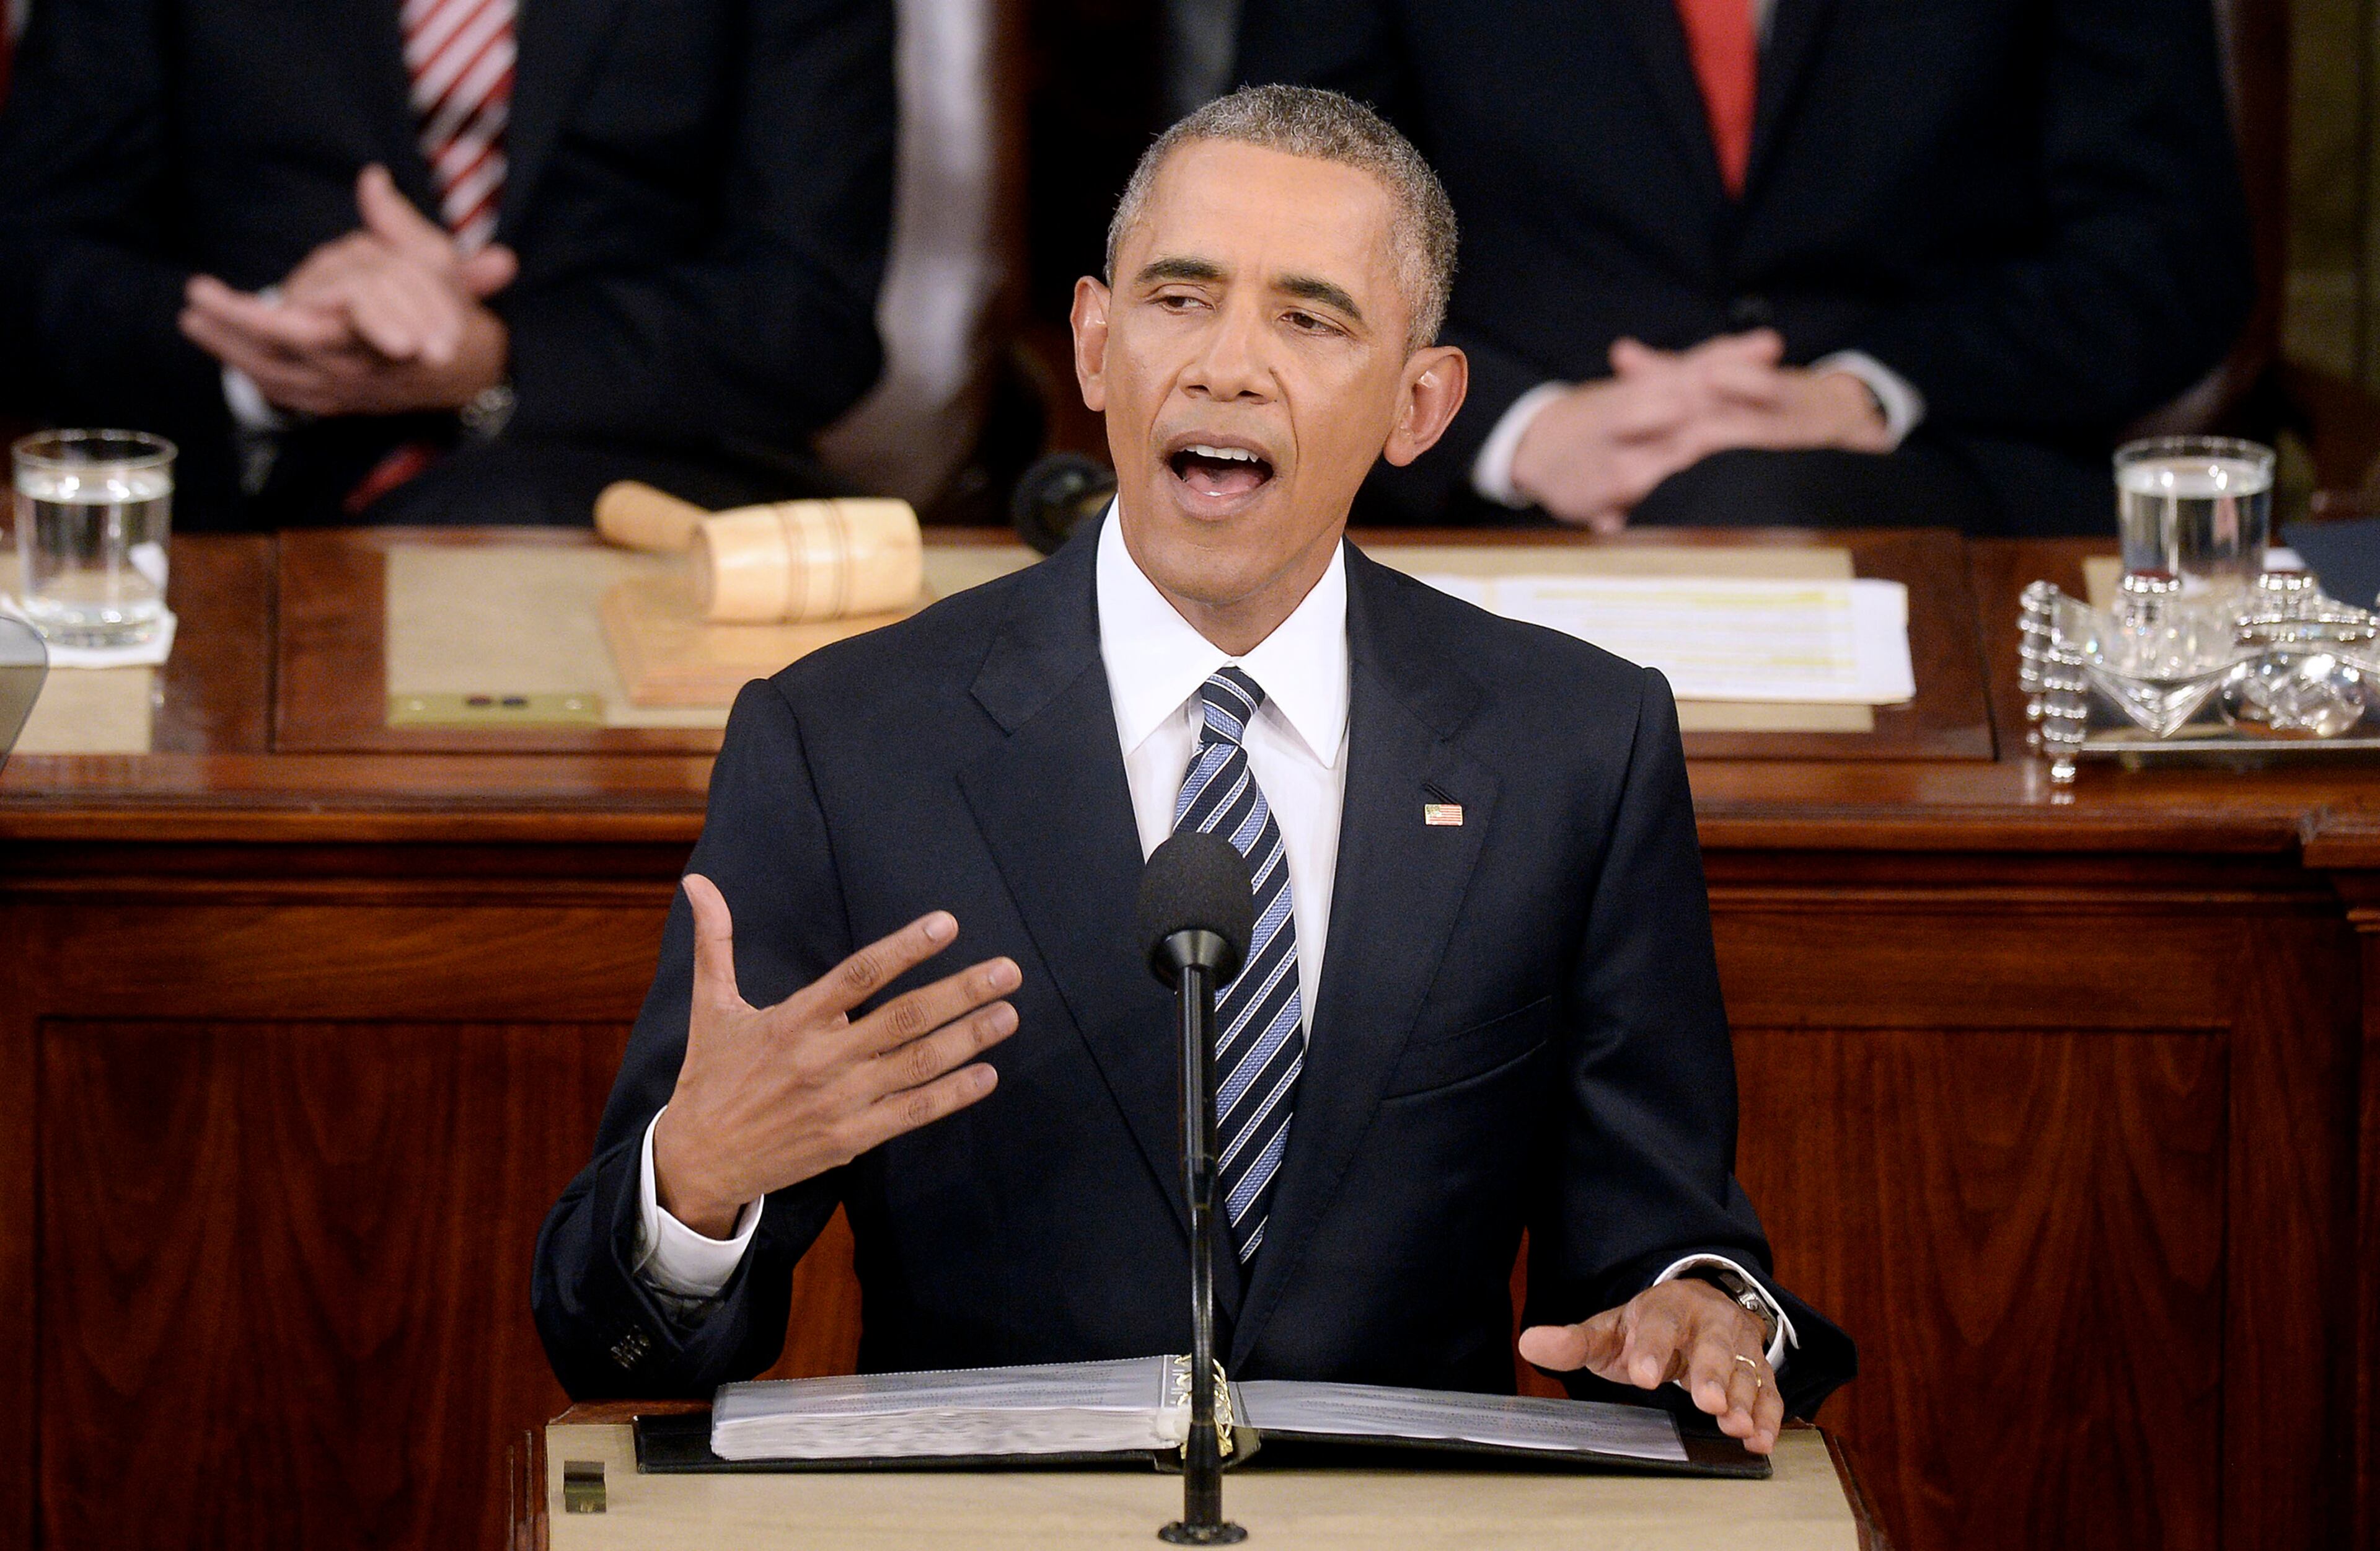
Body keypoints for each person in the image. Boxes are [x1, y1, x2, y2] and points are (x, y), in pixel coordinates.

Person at [532, 85, 1854, 1448]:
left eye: (1309, 318)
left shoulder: (1574, 745)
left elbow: (1657, 1241)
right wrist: (693, 1189)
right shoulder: (846, 745)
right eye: (1179, 300)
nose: (1226, 365)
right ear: (1096, 347)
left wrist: (1695, 1309)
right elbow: (607, 1337)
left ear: (1420, 403)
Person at [1236, 0, 2253, 536]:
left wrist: (1873, 391)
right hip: (1467, 494)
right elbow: (1271, 226)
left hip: (1936, 475)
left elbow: (2169, 255)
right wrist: (1516, 427)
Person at [0, 0, 893, 530]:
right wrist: (265, 349)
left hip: (628, 492)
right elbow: (35, 264)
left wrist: (495, 363)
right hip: (240, 512)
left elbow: (811, 315)